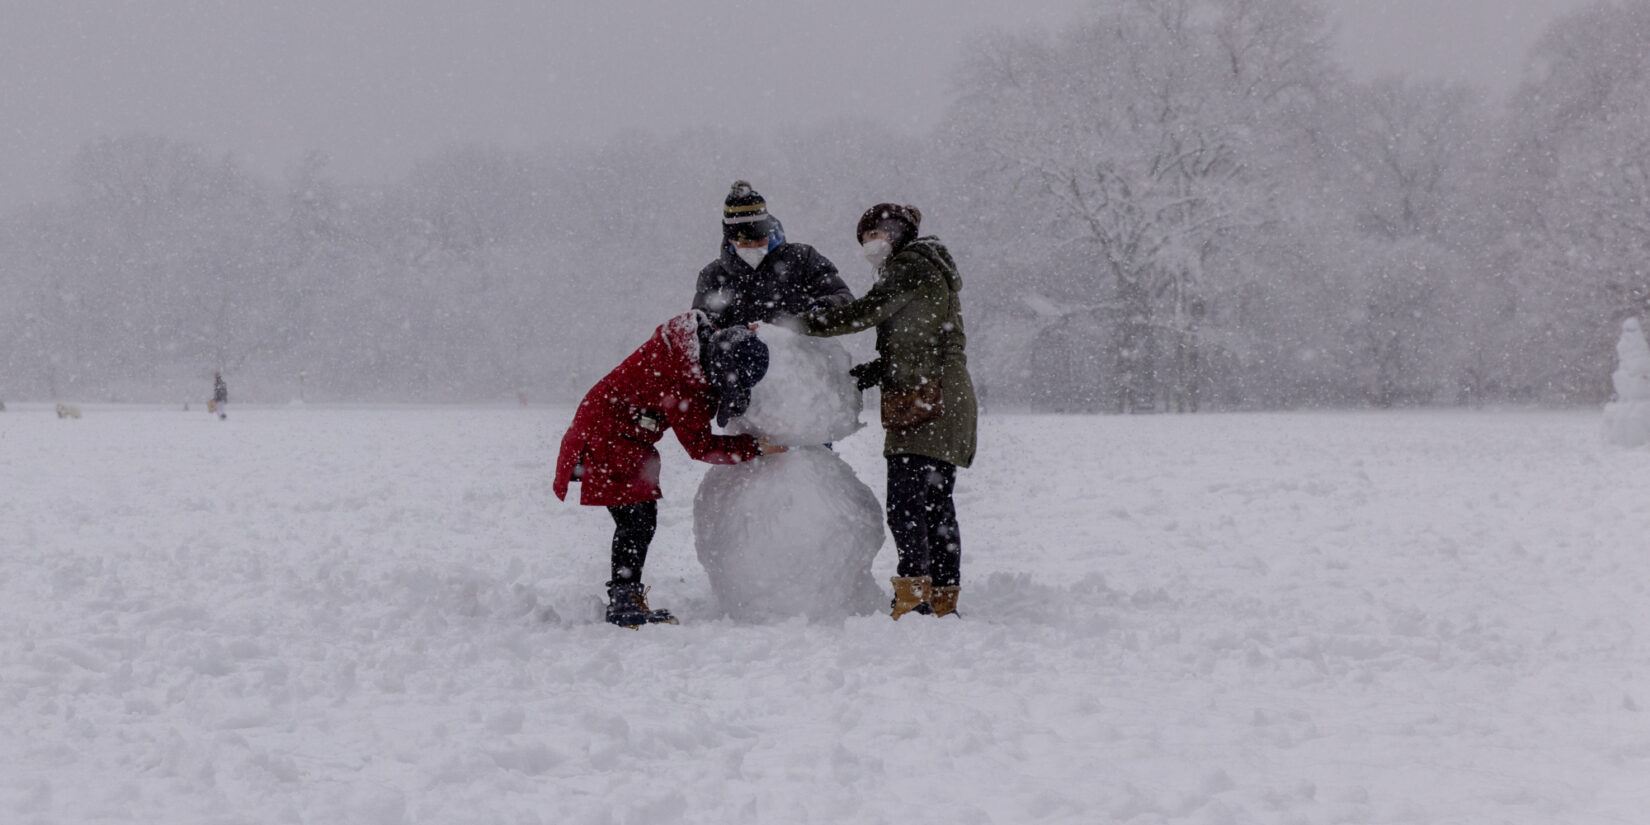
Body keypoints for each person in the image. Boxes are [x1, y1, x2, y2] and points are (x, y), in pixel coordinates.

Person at [790, 204, 977, 620]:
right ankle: (942, 599)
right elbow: (909, 347)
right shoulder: (928, 268)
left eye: (874, 234)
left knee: (908, 504)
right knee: (934, 503)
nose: (869, 244)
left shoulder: (909, 266)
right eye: (864, 238)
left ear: (895, 232)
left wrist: (796, 324)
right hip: (943, 396)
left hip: (928, 400)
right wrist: (859, 375)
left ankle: (913, 599)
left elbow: (862, 313)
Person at [553, 310, 785, 628]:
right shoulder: (682, 382)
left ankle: (625, 595)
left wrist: (743, 332)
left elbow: (725, 347)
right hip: (607, 435)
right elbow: (700, 447)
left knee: (638, 520)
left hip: (617, 430)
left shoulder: (699, 347)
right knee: (636, 521)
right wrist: (754, 447)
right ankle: (623, 602)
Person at [693, 180, 854, 329]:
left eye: (760, 240)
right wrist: (735, 338)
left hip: (801, 356)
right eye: (745, 243)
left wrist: (822, 309)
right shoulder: (713, 276)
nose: (754, 247)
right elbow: (700, 332)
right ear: (730, 240)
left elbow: (846, 301)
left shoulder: (802, 259)